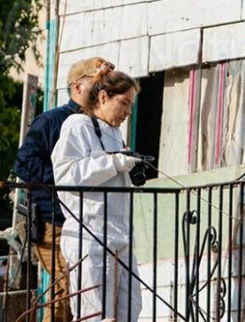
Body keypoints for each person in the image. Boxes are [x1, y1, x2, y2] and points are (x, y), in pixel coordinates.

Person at [13, 56, 111, 322]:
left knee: (80, 291)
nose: (104, 88)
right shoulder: (51, 121)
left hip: (86, 221)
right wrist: (65, 178)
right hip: (53, 222)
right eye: (97, 82)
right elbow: (24, 164)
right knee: (67, 291)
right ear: (77, 87)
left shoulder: (100, 125)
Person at [52, 65, 146, 322]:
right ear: (103, 97)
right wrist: (113, 163)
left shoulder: (115, 133)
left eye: (131, 105)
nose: (128, 112)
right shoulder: (77, 126)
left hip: (120, 235)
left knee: (130, 308)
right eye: (124, 103)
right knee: (94, 314)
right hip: (89, 235)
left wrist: (130, 167)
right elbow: (68, 176)